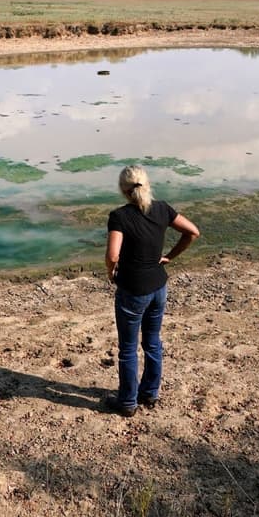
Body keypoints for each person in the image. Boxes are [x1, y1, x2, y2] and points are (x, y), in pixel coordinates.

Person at [104, 165, 200, 417]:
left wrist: (110, 271)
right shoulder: (162, 208)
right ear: (146, 184)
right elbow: (193, 232)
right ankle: (150, 392)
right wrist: (169, 256)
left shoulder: (119, 216)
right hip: (158, 286)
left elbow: (113, 254)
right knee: (152, 342)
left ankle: (127, 402)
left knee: (127, 348)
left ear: (123, 190)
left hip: (132, 290)